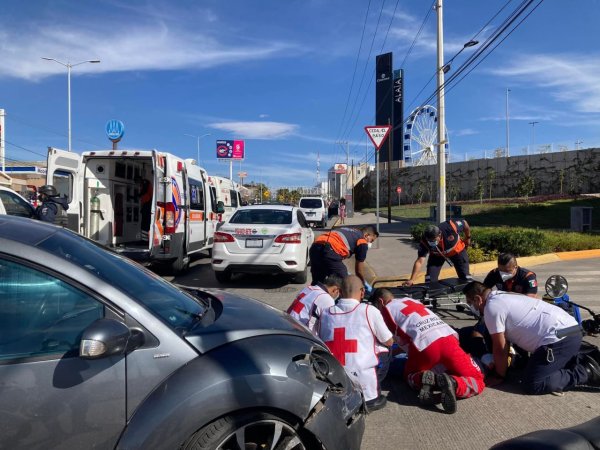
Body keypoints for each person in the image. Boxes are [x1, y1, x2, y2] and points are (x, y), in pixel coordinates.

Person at [462, 281, 600, 394]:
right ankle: (574, 359)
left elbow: (500, 347)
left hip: (558, 339)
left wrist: (499, 375)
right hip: (571, 329)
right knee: (530, 366)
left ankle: (585, 371)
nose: (471, 307)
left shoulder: (492, 308)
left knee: (533, 383)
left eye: (470, 303)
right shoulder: (502, 295)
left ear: (478, 299)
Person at [371, 288, 485, 414]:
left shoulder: (386, 311)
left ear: (381, 302)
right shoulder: (411, 300)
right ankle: (455, 383)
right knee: (478, 380)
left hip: (425, 348)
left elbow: (389, 342)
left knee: (410, 375)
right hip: (449, 339)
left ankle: (424, 379)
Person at [317, 275, 393, 411]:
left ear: (339, 292)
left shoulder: (325, 313)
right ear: (363, 291)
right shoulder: (369, 311)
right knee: (386, 348)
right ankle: (372, 392)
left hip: (333, 376)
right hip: (362, 384)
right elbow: (388, 341)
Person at [460, 253, 539, 359]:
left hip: (520, 314)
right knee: (479, 330)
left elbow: (529, 300)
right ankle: (488, 357)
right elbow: (482, 292)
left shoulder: (528, 277)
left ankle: (522, 360)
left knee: (517, 339)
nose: (503, 275)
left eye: (507, 271)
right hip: (500, 310)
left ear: (515, 267)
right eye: (501, 271)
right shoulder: (494, 274)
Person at [404, 219, 471, 287]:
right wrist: (412, 280)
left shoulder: (450, 227)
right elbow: (419, 261)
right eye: (429, 240)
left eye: (434, 239)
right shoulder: (424, 241)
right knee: (429, 281)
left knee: (465, 278)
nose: (431, 242)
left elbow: (464, 223)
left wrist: (468, 237)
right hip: (437, 255)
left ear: (439, 235)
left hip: (457, 251)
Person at [309, 225, 378, 290]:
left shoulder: (349, 230)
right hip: (330, 249)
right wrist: (362, 284)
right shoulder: (362, 241)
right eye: (371, 240)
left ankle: (308, 300)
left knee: (317, 283)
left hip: (315, 247)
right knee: (345, 282)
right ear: (367, 235)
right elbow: (359, 270)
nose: (370, 243)